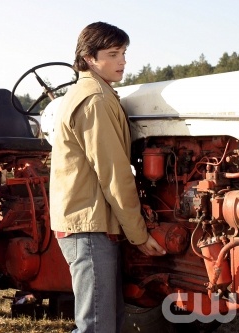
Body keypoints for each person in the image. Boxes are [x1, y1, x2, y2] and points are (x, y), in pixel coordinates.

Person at [49, 22, 166, 333]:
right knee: (96, 327)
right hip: (88, 226)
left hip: (96, 224)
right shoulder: (95, 100)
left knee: (109, 322)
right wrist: (139, 234)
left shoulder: (98, 93)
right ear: (88, 58)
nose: (122, 61)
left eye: (124, 53)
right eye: (113, 54)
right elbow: (114, 174)